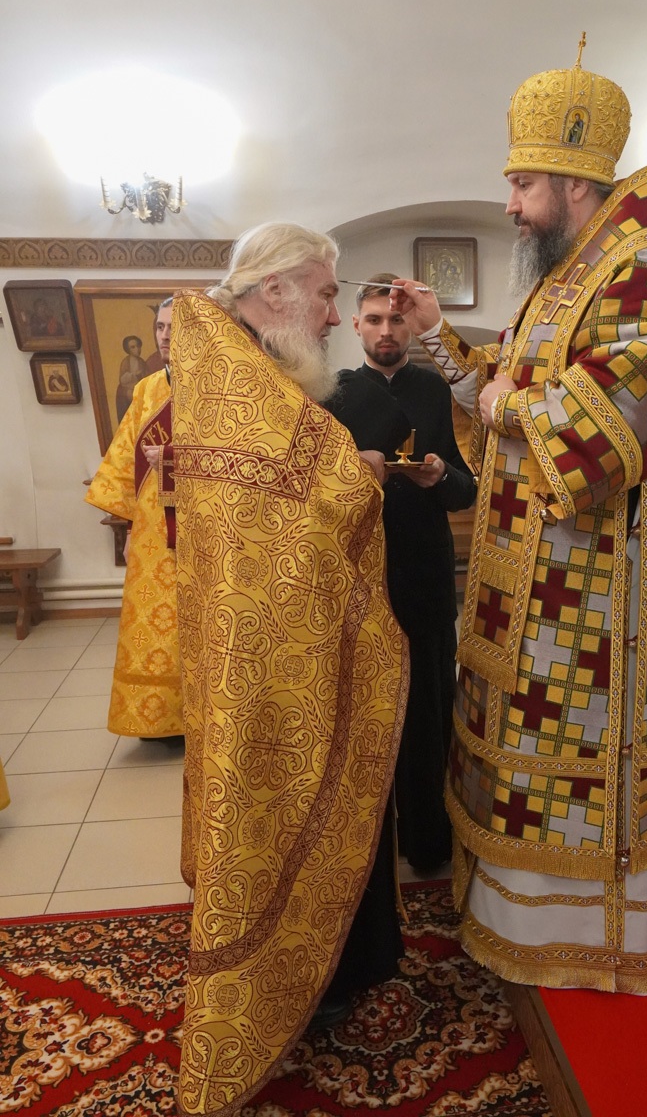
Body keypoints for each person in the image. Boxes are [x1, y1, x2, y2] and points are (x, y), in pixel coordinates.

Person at [388, 44, 647, 996]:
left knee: (573, 756)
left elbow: (615, 422)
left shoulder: (646, 272)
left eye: (523, 184)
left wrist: (505, 406)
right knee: (521, 749)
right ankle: (512, 912)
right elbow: (504, 384)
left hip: (604, 590)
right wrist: (443, 340)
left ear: (575, 183)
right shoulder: (569, 277)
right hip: (534, 579)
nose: (510, 204)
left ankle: (596, 937)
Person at [169, 224, 408, 1117]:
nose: (336, 316)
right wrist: (365, 471)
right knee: (282, 790)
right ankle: (288, 979)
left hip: (267, 633)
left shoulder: (231, 360)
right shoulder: (235, 371)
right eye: (326, 294)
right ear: (273, 291)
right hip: (266, 646)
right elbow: (318, 494)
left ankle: (331, 957)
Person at [328, 274, 476, 872]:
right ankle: (365, 849)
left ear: (411, 325)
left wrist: (439, 475)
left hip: (424, 570)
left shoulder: (437, 391)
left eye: (395, 320)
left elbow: (466, 489)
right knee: (363, 710)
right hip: (359, 574)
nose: (385, 331)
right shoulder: (333, 393)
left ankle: (428, 839)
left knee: (427, 705)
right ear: (356, 325)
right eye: (374, 320)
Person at [85, 299, 183, 740]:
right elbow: (127, 459)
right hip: (153, 529)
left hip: (205, 521)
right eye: (160, 327)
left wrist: (175, 457)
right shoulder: (146, 390)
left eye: (174, 327)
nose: (165, 335)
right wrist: (128, 528)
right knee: (157, 621)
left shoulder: (218, 389)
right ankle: (157, 718)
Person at [115, 334, 148, 420]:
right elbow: (122, 379)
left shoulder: (142, 362)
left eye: (138, 346)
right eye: (133, 347)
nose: (137, 349)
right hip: (128, 388)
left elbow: (147, 377)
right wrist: (134, 375)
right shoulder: (126, 362)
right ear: (128, 350)